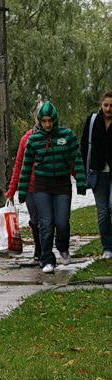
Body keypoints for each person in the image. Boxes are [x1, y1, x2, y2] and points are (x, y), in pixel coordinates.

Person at [17, 101, 87, 273]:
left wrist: (81, 181)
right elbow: (25, 166)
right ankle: (47, 259)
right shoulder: (33, 140)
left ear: (55, 120)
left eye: (50, 121)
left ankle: (63, 247)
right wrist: (22, 190)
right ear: (40, 121)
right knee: (45, 223)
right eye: (44, 121)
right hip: (42, 186)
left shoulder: (67, 136)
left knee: (62, 222)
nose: (48, 124)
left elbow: (76, 159)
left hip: (62, 185)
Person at [5, 104, 43, 262]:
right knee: (35, 219)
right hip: (30, 187)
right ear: (35, 119)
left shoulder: (56, 137)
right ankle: (38, 247)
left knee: (47, 220)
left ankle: (45, 250)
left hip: (49, 185)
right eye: (39, 118)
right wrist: (12, 189)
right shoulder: (26, 139)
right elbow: (18, 165)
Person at [80, 90, 112, 259]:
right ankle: (107, 246)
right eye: (105, 105)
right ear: (101, 104)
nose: (108, 108)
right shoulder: (93, 121)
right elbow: (84, 146)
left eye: (111, 105)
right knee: (103, 212)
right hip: (98, 172)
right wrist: (82, 175)